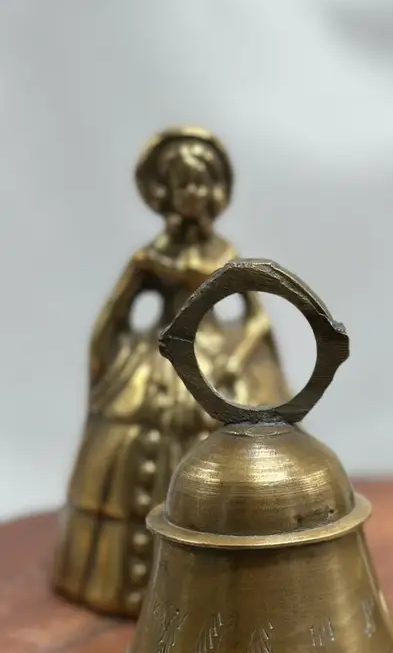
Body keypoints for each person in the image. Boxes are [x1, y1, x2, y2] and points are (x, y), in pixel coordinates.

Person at [53, 127, 288, 616]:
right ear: (164, 193)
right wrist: (111, 369)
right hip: (159, 358)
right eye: (183, 185)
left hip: (218, 359)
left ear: (216, 193)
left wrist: (235, 356)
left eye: (202, 185)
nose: (193, 195)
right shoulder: (150, 259)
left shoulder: (224, 255)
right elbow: (111, 320)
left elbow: (257, 317)